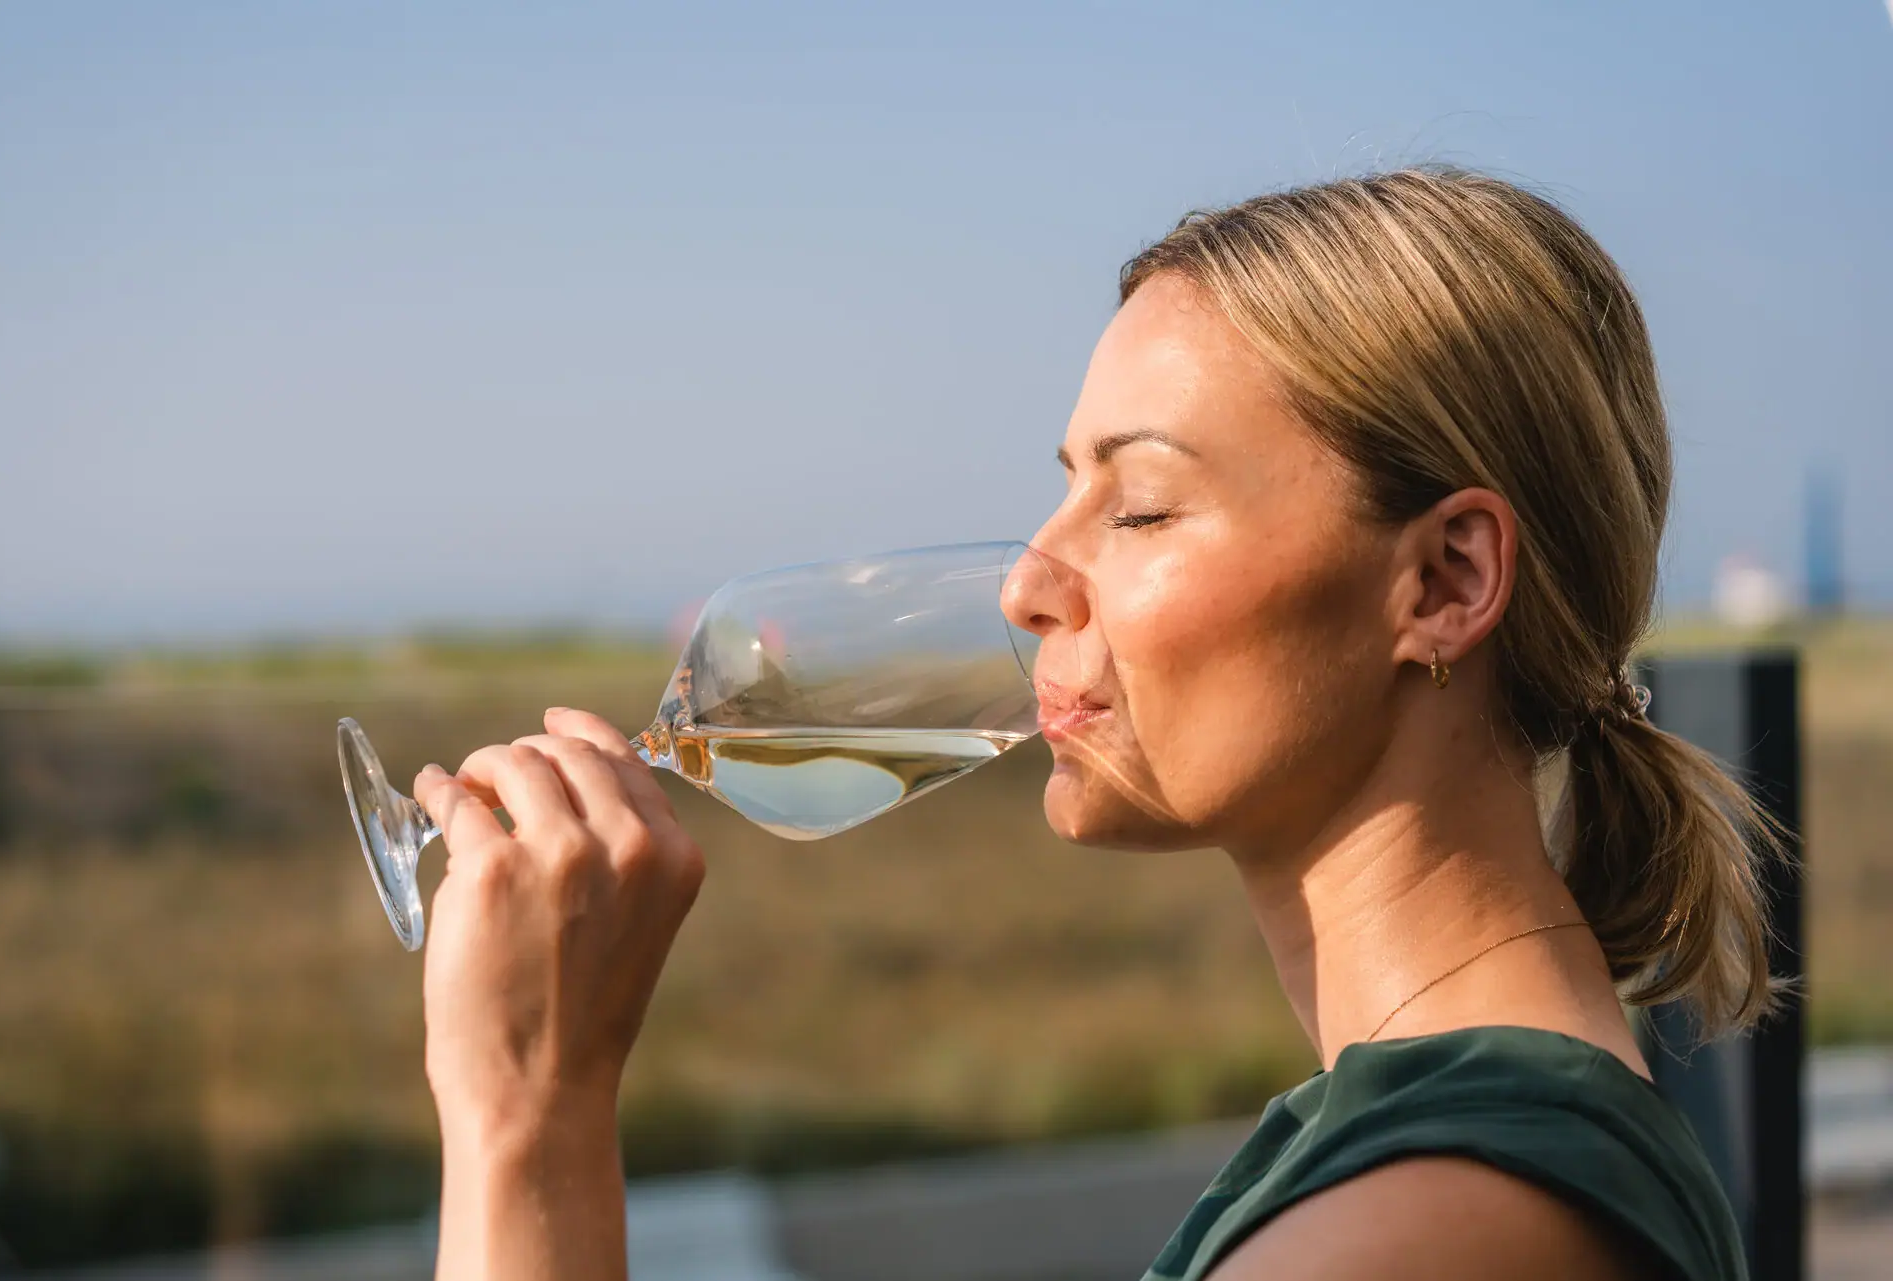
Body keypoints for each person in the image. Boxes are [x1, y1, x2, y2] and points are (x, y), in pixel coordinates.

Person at [412, 167, 1774, 1280]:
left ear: (1446, 581)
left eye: (1139, 508)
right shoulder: (1437, 1148)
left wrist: (529, 1114)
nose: (1025, 581)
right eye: (1066, 491)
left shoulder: (1447, 1218)